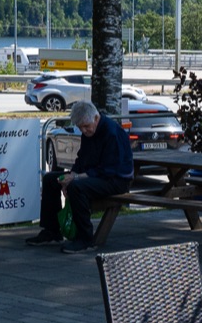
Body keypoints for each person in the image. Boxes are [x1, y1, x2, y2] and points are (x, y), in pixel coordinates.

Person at [26, 100, 133, 253]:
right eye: (80, 127)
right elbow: (82, 159)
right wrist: (71, 175)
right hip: (98, 175)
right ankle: (52, 231)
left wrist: (75, 178)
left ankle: (85, 238)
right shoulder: (90, 131)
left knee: (77, 187)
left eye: (86, 126)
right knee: (51, 179)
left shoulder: (111, 133)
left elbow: (108, 169)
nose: (84, 131)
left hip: (116, 180)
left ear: (96, 118)